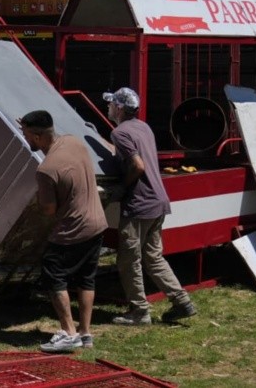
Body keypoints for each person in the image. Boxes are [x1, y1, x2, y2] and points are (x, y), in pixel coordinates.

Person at [104, 87, 197, 324]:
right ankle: (182, 301)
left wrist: (122, 187)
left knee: (128, 260)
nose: (108, 107)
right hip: (158, 200)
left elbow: (137, 165)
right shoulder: (143, 127)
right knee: (154, 257)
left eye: (111, 104)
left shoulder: (119, 132)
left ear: (119, 108)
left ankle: (139, 312)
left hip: (139, 203)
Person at [19, 110, 108, 352]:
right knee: (86, 278)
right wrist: (27, 124)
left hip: (73, 229)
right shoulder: (74, 142)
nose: (24, 137)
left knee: (53, 275)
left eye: (26, 134)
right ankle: (85, 333)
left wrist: (40, 197)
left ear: (38, 137)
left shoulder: (46, 170)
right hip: (97, 222)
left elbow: (48, 210)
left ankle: (68, 333)